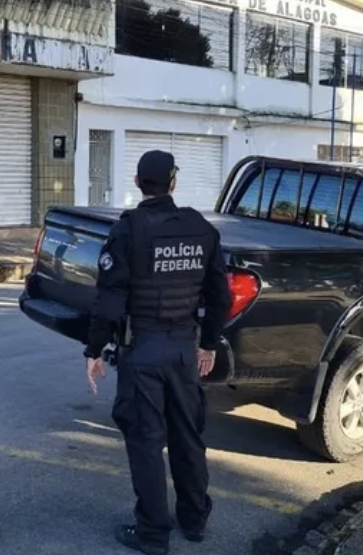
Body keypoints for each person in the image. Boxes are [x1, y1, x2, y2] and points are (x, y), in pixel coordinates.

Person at [85, 150, 232, 555]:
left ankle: (152, 533)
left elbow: (108, 300)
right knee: (187, 436)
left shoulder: (127, 231)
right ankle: (194, 520)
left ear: (137, 183)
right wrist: (208, 344)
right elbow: (219, 295)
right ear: (173, 183)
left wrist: (94, 349)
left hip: (142, 352)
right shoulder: (201, 229)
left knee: (147, 442)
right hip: (184, 350)